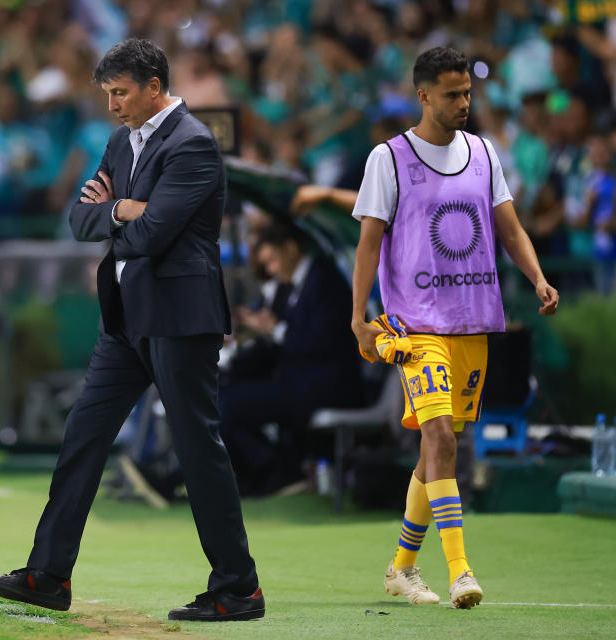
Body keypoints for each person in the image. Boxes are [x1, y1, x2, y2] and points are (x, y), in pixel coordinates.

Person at [0, 39, 263, 622]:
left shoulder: (194, 144)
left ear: (153, 87)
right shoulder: (120, 141)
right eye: (107, 94)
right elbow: (81, 217)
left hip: (181, 319)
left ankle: (239, 588)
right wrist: (124, 210)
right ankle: (48, 575)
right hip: (128, 316)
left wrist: (126, 214)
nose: (111, 105)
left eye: (120, 93)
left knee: (196, 449)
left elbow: (154, 235)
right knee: (83, 435)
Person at [350, 47, 559, 609]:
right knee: (440, 438)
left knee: (435, 450)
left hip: (472, 321)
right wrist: (358, 318)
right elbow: (368, 244)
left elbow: (510, 230)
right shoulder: (388, 159)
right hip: (415, 325)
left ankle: (400, 568)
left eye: (467, 92)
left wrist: (537, 278)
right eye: (452, 94)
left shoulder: (484, 153)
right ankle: (461, 571)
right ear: (423, 95)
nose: (464, 103)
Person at [220, 223, 361, 496]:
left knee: (230, 406)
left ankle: (277, 470)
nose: (271, 270)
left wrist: (273, 329)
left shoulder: (324, 280)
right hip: (301, 382)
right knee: (226, 397)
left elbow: (320, 342)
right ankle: (267, 472)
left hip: (324, 386)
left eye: (272, 260)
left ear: (291, 248)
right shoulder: (297, 284)